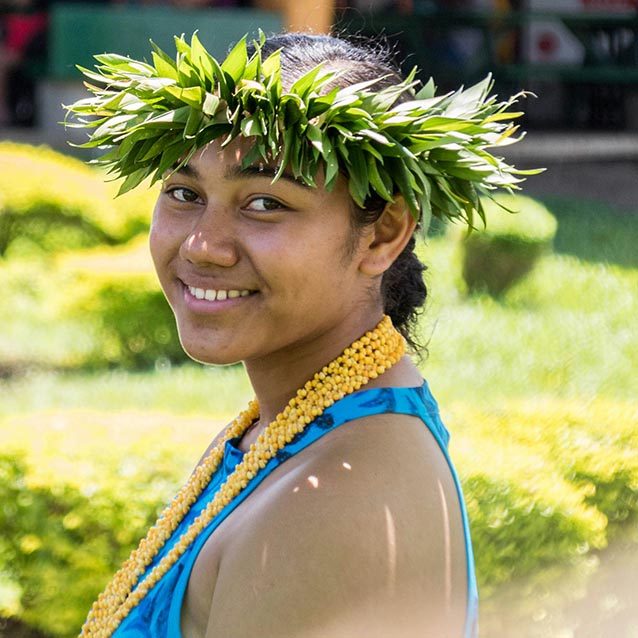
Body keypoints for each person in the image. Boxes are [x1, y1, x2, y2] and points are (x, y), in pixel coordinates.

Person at [66, 30, 532, 638]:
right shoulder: (285, 429)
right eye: (185, 193)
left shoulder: (333, 502)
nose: (203, 245)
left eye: (265, 203)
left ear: (382, 233)